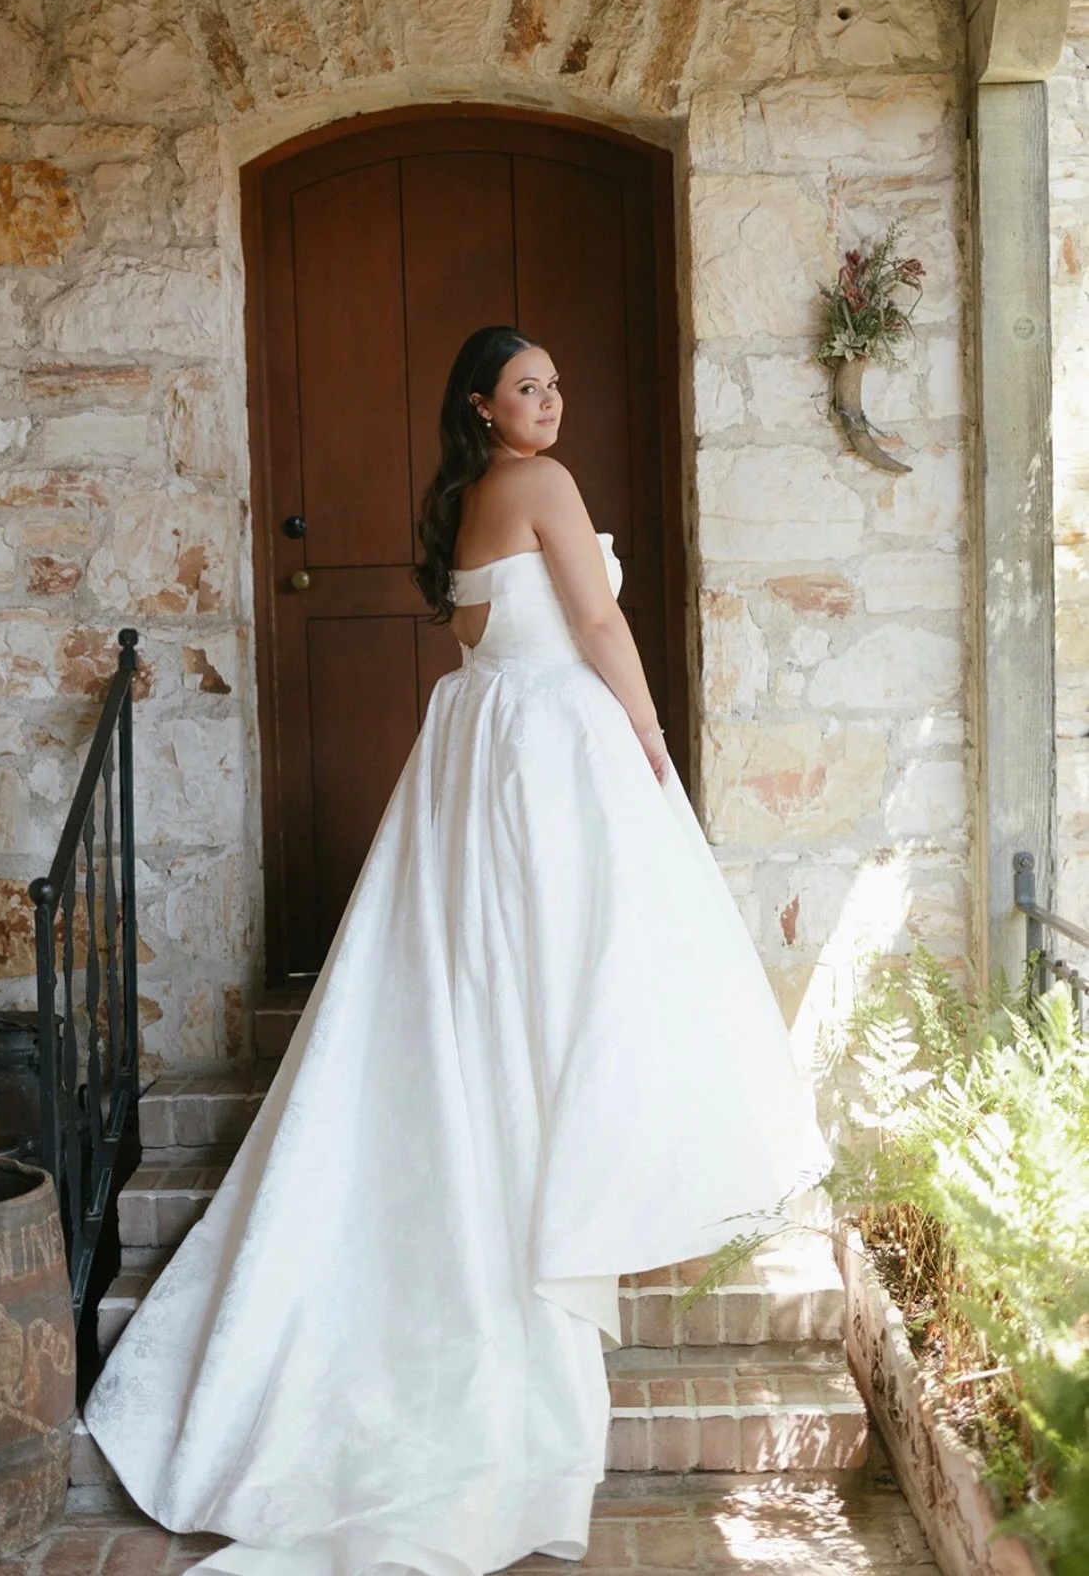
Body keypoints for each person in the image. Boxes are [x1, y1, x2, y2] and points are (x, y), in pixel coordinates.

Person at [84, 325, 833, 1576]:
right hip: (554, 752)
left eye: (557, 382)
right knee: (582, 982)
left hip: (487, 755)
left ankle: (552, 1176)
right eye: (530, 386)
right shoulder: (539, 485)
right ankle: (576, 1193)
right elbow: (595, 623)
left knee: (503, 988)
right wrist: (653, 741)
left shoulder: (472, 501)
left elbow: (484, 644)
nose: (553, 401)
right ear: (485, 407)